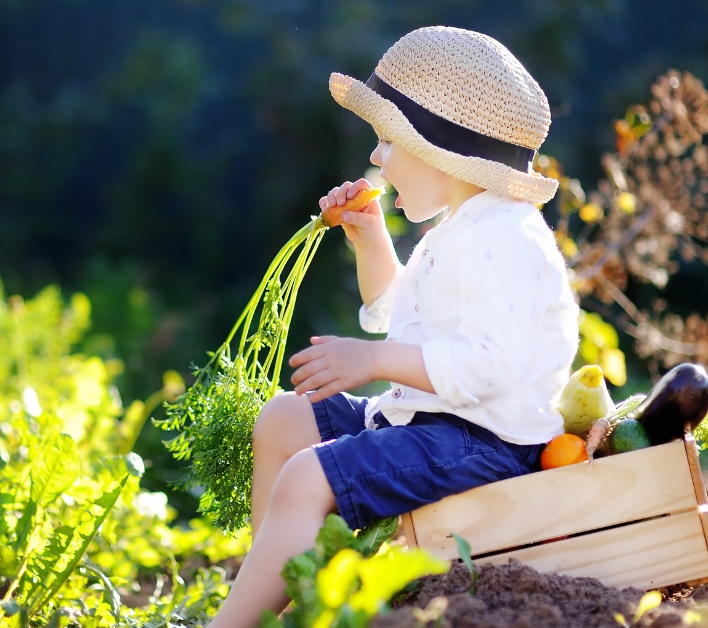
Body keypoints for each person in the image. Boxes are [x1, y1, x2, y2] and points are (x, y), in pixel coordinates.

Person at [207, 26, 579, 627]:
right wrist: (371, 236)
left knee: (308, 476)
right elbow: (397, 309)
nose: (376, 157)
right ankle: (280, 602)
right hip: (435, 423)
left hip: (485, 446)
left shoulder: (503, 240)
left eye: (387, 139)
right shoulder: (465, 228)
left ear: (439, 149)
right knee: (283, 420)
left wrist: (375, 361)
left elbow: (487, 367)